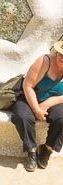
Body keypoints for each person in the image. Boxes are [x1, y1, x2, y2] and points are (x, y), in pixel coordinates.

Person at [10, 41, 63, 172]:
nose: (62, 58)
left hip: (54, 101)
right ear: (56, 52)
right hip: (30, 97)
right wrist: (37, 109)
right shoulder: (44, 61)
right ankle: (31, 151)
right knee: (22, 117)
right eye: (61, 54)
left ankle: (47, 149)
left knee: (62, 118)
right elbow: (27, 86)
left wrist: (49, 102)